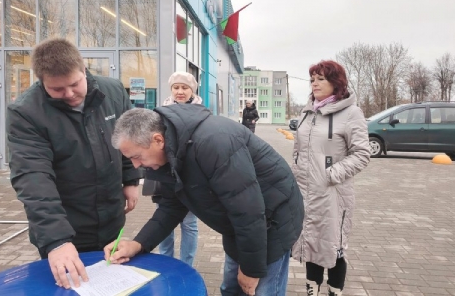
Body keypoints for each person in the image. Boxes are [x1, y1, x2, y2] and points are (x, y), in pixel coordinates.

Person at [104, 105, 305, 296]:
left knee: (258, 289)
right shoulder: (166, 155)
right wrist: (138, 244)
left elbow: (248, 212)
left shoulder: (214, 142)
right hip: (241, 224)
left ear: (158, 140)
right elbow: (171, 207)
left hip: (273, 221)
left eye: (137, 156)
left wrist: (252, 269)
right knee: (232, 288)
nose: (136, 165)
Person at [6, 38, 143, 290]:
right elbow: (33, 177)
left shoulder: (112, 92)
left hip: (111, 218)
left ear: (84, 70)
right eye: (57, 90)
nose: (69, 94)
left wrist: (131, 178)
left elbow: (128, 139)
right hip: (66, 224)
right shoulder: (25, 113)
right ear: (41, 81)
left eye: (74, 84)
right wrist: (57, 240)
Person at [291, 60, 370, 296]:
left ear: (336, 82)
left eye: (321, 79)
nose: (314, 83)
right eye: (312, 79)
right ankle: (311, 291)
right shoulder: (308, 111)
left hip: (333, 193)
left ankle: (335, 291)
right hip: (305, 191)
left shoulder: (351, 113)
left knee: (334, 247)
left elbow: (362, 153)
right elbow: (299, 150)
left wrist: (331, 174)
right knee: (311, 242)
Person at [142, 71, 201, 266]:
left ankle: (186, 264)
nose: (180, 91)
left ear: (192, 90)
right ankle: (165, 261)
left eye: (184, 87)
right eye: (176, 87)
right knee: (164, 216)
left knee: (189, 223)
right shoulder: (160, 111)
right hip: (165, 173)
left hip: (190, 173)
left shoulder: (200, 112)